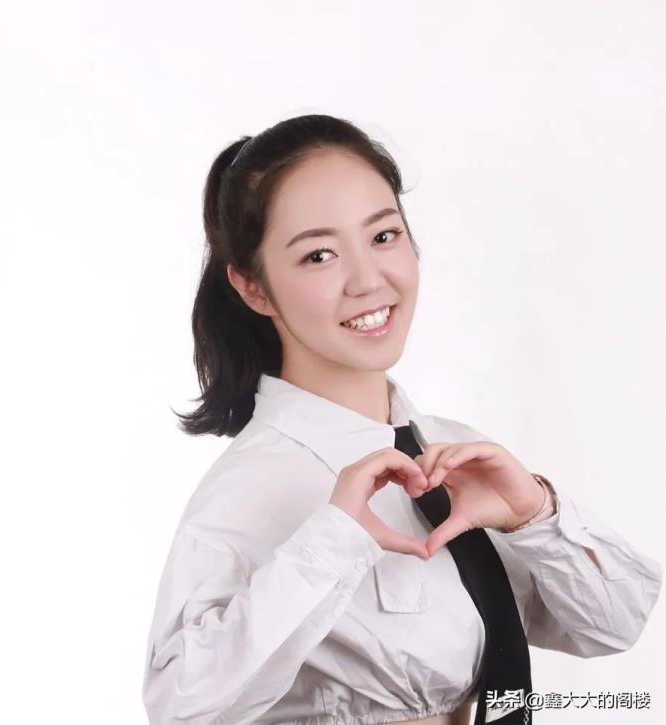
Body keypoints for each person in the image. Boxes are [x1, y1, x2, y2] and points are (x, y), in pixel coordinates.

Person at [141, 114, 662, 725]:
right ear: (254, 288)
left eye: (384, 236)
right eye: (319, 255)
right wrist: (331, 542)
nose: (368, 280)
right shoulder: (252, 489)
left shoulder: (458, 453)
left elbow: (615, 626)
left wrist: (535, 514)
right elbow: (181, 708)